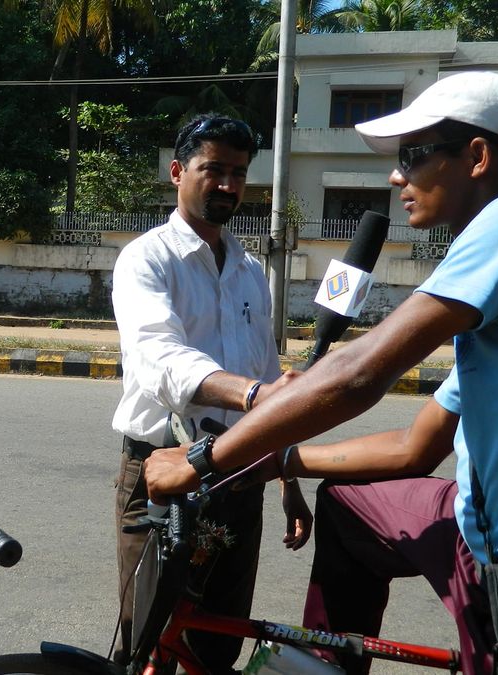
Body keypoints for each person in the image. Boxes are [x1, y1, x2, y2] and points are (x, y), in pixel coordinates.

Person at [142, 72, 498, 675]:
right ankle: (327, 668)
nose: (397, 177)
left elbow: (357, 373)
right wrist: (278, 462)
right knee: (348, 509)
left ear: (477, 157)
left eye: (414, 156)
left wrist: (205, 459)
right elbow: (414, 447)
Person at [110, 113, 310, 672]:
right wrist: (252, 397)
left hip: (241, 476)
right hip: (162, 475)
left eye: (239, 174)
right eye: (213, 170)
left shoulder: (249, 270)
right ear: (178, 172)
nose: (228, 185)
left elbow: (267, 370)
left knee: (218, 643)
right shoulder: (147, 259)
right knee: (147, 643)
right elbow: (161, 361)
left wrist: (287, 480)